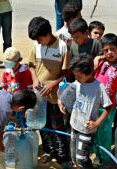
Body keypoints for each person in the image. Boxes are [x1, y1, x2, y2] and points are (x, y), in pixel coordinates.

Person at [27, 16, 72, 168]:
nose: (38, 42)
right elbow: (31, 65)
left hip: (55, 98)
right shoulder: (36, 45)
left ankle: (63, 156)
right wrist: (34, 78)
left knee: (57, 127)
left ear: (47, 34)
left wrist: (53, 84)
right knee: (42, 125)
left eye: (40, 39)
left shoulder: (62, 47)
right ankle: (48, 151)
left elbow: (66, 73)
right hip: (39, 96)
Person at [58, 55, 112, 168]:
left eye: (78, 76)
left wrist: (96, 123)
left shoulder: (98, 87)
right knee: (74, 157)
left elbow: (108, 107)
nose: (76, 78)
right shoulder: (77, 83)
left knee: (81, 158)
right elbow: (64, 94)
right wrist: (60, 102)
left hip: (87, 130)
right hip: (74, 125)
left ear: (89, 73)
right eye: (75, 75)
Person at [93, 33, 117, 163]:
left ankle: (106, 159)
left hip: (108, 108)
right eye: (106, 50)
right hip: (94, 105)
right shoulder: (101, 64)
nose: (110, 53)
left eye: (112, 49)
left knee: (105, 134)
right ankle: (97, 155)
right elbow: (90, 79)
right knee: (95, 132)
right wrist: (97, 60)